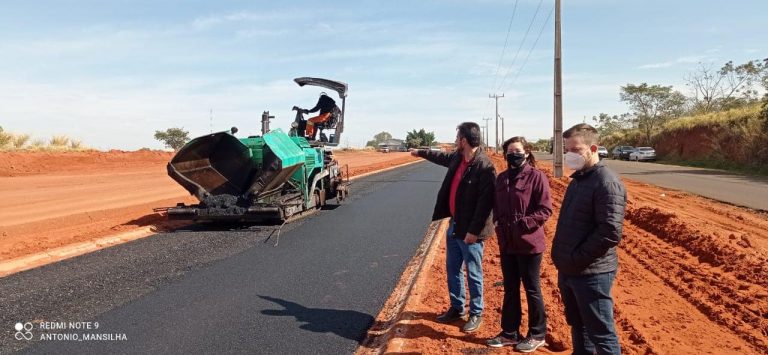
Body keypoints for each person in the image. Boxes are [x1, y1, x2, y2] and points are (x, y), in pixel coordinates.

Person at [410, 122, 496, 333]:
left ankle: (476, 313)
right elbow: (441, 157)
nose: (456, 141)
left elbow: (486, 205)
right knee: (453, 269)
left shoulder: (485, 167)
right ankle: (457, 308)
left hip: (471, 231)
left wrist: (473, 232)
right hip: (455, 224)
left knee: (473, 273)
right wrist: (420, 152)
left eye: (458, 137)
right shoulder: (458, 158)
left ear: (463, 140)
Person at [552, 123, 626, 355]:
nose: (569, 156)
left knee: (601, 334)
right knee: (579, 325)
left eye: (575, 150)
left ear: (593, 148)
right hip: (570, 270)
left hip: (591, 273)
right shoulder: (579, 179)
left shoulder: (606, 182)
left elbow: (609, 232)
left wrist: (576, 259)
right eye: (566, 150)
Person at [486, 136, 552, 352]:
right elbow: (496, 205)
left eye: (517, 150)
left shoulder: (536, 177)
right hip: (507, 243)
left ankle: (537, 334)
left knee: (532, 289)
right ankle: (510, 333)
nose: (513, 154)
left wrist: (522, 225)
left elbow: (545, 210)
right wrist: (498, 223)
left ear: (526, 152)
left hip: (529, 243)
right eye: (509, 151)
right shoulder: (502, 178)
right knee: (510, 289)